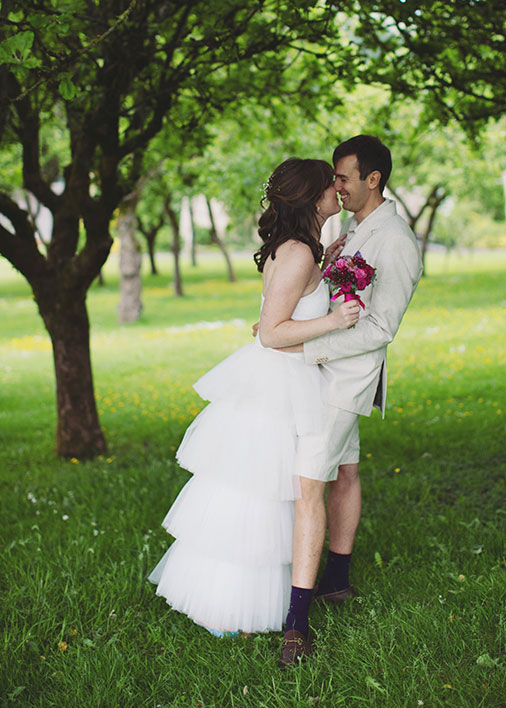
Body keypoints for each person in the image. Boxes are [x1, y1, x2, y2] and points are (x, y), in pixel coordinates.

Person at [148, 157, 360, 637]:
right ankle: (235, 606)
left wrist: (330, 262)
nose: (337, 192)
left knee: (267, 491)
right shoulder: (300, 252)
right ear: (311, 198)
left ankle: (235, 599)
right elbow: (270, 332)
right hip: (282, 380)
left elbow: (287, 303)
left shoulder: (304, 249)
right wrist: (334, 320)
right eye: (331, 186)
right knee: (264, 495)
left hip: (282, 376)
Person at [279, 135, 423, 666]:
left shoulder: (398, 241)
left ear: (372, 179)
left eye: (342, 178)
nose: (335, 187)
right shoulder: (347, 228)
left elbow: (380, 329)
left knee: (308, 487)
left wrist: (303, 344)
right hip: (319, 370)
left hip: (344, 377)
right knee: (345, 473)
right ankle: (335, 582)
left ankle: (297, 624)